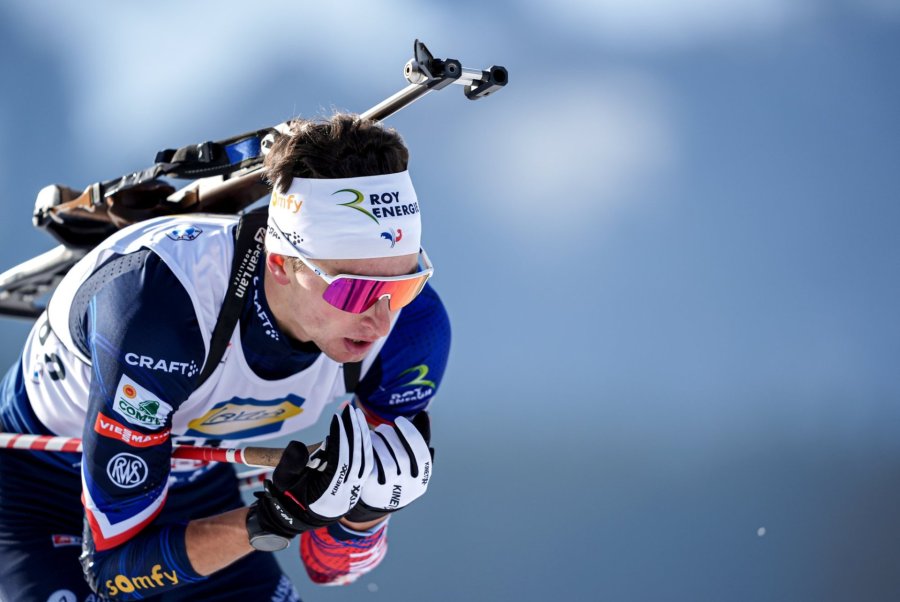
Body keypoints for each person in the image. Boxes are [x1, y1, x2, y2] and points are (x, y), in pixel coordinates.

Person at [0, 114, 450, 601]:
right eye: (353, 291)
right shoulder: (161, 309)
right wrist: (275, 516)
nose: (382, 320)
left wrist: (365, 516)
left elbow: (331, 571)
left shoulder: (414, 329)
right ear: (281, 263)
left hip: (192, 489)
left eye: (403, 285)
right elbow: (113, 572)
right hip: (35, 495)